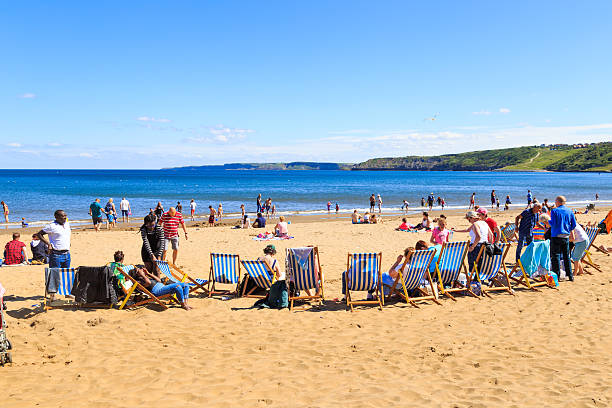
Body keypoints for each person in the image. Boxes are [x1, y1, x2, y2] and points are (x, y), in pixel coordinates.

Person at [549, 196, 576, 281]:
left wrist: (547, 221)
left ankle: (556, 275)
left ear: (557, 202)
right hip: (565, 236)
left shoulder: (554, 211)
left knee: (555, 256)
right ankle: (570, 276)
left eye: (555, 201)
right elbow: (574, 224)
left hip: (556, 235)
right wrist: (568, 229)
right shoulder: (569, 211)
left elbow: (552, 223)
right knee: (566, 256)